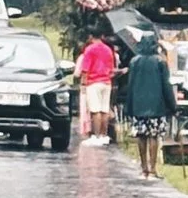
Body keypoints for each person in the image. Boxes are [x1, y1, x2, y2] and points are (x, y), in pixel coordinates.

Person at [123, 31, 175, 176]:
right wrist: (172, 105)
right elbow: (166, 85)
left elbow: (131, 85)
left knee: (141, 136)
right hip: (156, 106)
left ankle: (143, 167)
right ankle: (153, 168)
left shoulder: (134, 61)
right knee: (154, 135)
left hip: (138, 105)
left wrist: (129, 106)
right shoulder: (160, 62)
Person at [74, 30, 118, 143]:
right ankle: (104, 135)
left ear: (90, 36)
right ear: (102, 36)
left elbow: (85, 69)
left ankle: (96, 136)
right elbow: (111, 69)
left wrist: (83, 84)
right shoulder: (108, 50)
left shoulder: (90, 49)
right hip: (107, 82)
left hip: (93, 82)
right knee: (104, 110)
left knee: (95, 110)